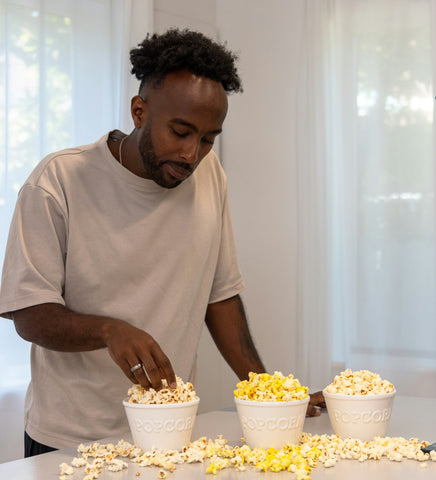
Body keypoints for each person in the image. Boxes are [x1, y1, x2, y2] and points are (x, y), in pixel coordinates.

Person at [0, 28, 324, 457]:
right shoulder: (57, 181)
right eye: (181, 131)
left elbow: (220, 297)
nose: (193, 154)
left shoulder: (210, 177)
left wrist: (270, 393)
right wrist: (109, 329)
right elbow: (29, 313)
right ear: (139, 111)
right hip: (69, 439)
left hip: (168, 434)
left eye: (208, 139)